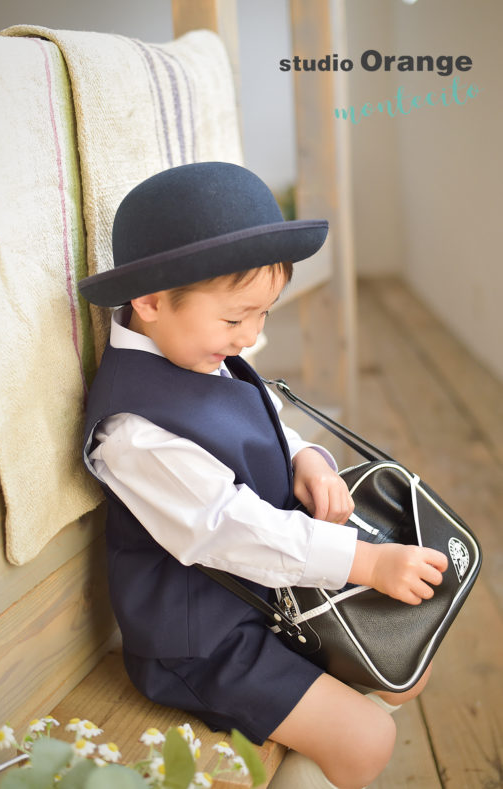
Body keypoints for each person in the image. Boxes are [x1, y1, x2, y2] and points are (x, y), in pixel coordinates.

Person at [79, 162, 448, 789]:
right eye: (236, 319)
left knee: (409, 666)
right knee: (368, 740)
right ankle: (328, 745)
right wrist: (364, 562)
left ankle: (316, 737)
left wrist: (305, 456)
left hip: (269, 596)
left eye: (264, 315)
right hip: (203, 638)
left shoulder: (196, 351)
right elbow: (230, 529)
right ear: (149, 300)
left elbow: (262, 418)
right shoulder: (135, 432)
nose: (251, 336)